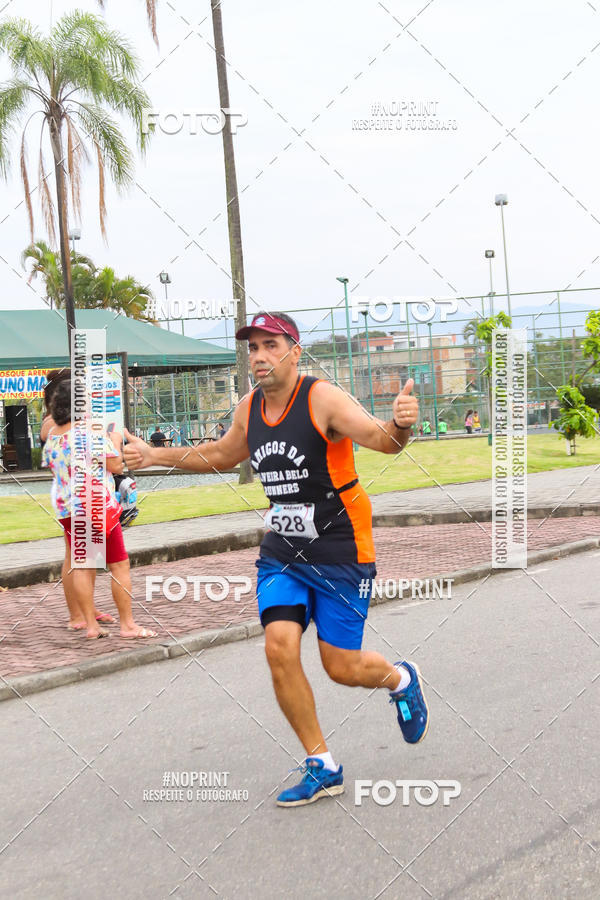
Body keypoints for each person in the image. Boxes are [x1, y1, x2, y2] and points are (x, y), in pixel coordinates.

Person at [124, 311, 428, 808]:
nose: (260, 356)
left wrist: (400, 423)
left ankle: (401, 679)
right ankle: (321, 764)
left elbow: (383, 441)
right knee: (278, 646)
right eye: (253, 348)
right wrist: (155, 457)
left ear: (294, 351)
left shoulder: (322, 398)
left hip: (341, 548)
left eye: (270, 345)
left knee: (341, 666)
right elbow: (223, 455)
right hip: (283, 550)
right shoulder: (249, 407)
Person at [42, 379, 157, 640]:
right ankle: (128, 625)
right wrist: (115, 438)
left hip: (67, 508)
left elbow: (54, 466)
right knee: (119, 565)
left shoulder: (54, 436)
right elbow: (116, 465)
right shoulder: (92, 433)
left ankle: (90, 625)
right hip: (97, 507)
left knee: (82, 564)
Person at [40, 370, 114, 629]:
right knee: (76, 554)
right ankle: (77, 615)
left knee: (86, 555)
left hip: (76, 496)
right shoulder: (53, 423)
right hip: (74, 497)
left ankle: (87, 609)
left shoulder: (65, 421)